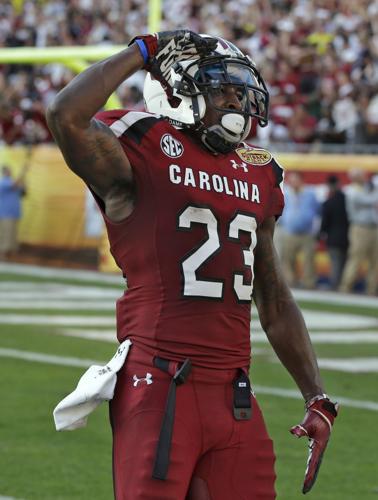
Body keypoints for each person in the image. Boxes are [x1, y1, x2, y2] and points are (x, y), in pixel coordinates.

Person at [47, 31, 338, 499]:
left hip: (235, 392)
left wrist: (316, 396)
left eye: (240, 90)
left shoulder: (257, 170)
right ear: (178, 91)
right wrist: (142, 52)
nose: (235, 99)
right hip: (160, 383)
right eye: (221, 87)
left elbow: (275, 298)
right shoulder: (142, 146)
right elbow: (66, 115)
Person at [339, 168, 378, 295]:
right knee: (356, 258)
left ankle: (371, 289)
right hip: (359, 228)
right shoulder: (351, 190)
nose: (363, 177)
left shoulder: (367, 188)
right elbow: (369, 201)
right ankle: (346, 287)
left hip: (374, 227)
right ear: (353, 177)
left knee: (375, 260)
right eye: (360, 175)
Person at [279, 171, 321, 289]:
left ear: (301, 180)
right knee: (288, 258)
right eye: (291, 180)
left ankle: (309, 283)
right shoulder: (286, 193)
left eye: (295, 180)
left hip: (307, 233)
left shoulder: (310, 193)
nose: (292, 182)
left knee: (309, 259)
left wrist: (315, 229)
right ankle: (291, 281)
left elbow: (318, 211)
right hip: (290, 231)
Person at [319, 174, 349, 289]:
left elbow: (324, 222)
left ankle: (334, 285)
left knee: (335, 262)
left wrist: (320, 235)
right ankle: (342, 284)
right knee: (344, 262)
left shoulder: (328, 203)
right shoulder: (346, 199)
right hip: (347, 236)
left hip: (333, 237)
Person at [0, 163, 29, 259]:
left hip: (14, 213)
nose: (9, 172)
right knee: (6, 234)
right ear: (4, 172)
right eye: (7, 170)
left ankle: (10, 255)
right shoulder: (3, 182)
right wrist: (23, 171)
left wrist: (24, 180)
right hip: (5, 213)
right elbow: (15, 184)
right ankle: (3, 255)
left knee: (12, 235)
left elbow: (23, 193)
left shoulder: (13, 182)